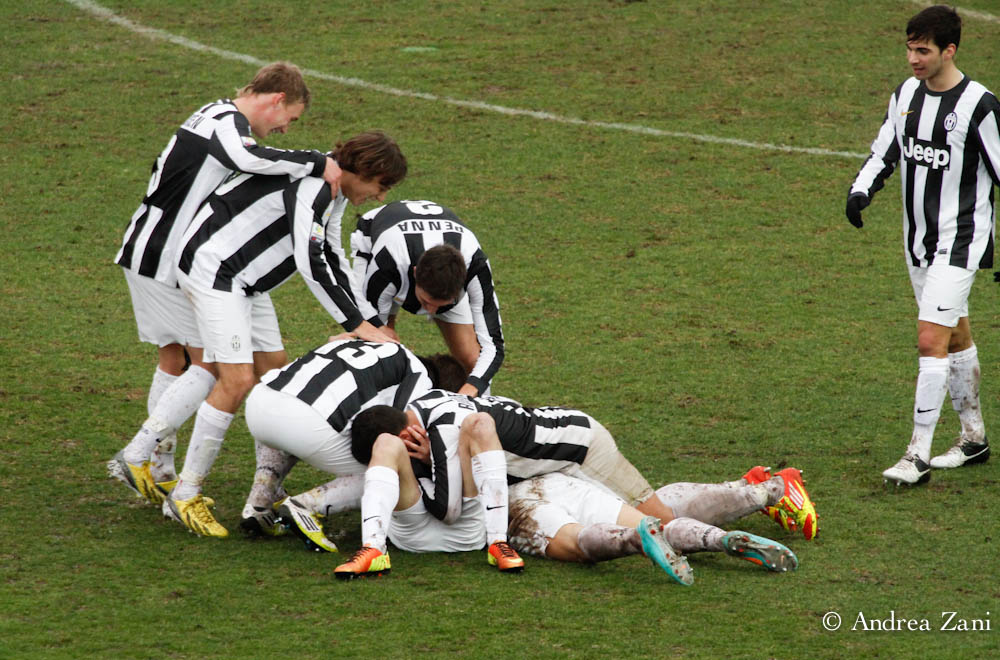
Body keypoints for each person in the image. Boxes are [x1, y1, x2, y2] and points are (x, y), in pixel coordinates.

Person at [117, 131, 407, 538]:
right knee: (236, 379)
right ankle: (184, 491)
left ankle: (263, 494)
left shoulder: (335, 190)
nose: (379, 197)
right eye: (381, 187)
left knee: (277, 374)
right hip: (218, 272)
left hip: (247, 282)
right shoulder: (316, 186)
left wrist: (368, 321)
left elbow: (332, 255)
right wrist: (355, 326)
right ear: (368, 170)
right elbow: (311, 263)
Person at [110, 62, 342, 499]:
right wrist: (315, 162)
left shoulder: (216, 116)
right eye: (290, 119)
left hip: (153, 250)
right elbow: (246, 158)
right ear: (276, 100)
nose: (286, 130)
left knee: (175, 358)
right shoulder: (223, 121)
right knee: (214, 364)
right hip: (161, 255)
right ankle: (142, 457)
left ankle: (157, 469)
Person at [846, 5, 999, 485]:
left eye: (923, 50)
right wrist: (861, 189)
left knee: (929, 340)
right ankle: (974, 439)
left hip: (960, 243)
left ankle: (916, 455)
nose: (913, 59)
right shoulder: (906, 95)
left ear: (948, 50)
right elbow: (885, 149)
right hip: (917, 243)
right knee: (954, 335)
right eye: (910, 48)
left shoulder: (979, 106)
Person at [363, 390, 819, 539]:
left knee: (655, 518)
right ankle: (750, 483)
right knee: (651, 507)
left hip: (578, 448)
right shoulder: (425, 403)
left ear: (407, 435)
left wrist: (420, 470)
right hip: (562, 443)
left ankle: (771, 489)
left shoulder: (438, 430)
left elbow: (448, 509)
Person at [239, 338, 464, 540]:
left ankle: (259, 502)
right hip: (309, 424)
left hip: (259, 403)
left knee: (288, 410)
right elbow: (405, 439)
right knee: (393, 461)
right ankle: (306, 506)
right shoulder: (421, 382)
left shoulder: (375, 344)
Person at [507, 471, 799, 584]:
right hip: (565, 479)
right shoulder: (499, 407)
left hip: (514, 497)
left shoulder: (466, 423)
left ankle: (634, 540)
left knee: (575, 542)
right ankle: (763, 493)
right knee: (661, 518)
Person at [350, 200, 504, 396]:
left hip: (411, 262)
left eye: (440, 305)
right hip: (375, 239)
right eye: (425, 303)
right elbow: (366, 333)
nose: (430, 314)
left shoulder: (476, 266)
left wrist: (470, 390)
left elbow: (492, 346)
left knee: (472, 358)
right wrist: (379, 328)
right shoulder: (386, 264)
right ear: (415, 274)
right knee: (381, 342)